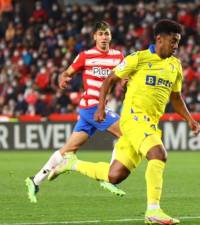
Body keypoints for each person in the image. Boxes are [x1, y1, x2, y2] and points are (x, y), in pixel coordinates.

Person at [49, 19, 200, 225]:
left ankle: (71, 163)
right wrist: (101, 107)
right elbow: (109, 80)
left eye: (178, 42)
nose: (176, 46)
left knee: (115, 175)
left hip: (150, 123)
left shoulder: (175, 65)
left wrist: (190, 119)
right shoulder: (137, 59)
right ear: (159, 39)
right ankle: (153, 210)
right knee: (158, 154)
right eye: (173, 41)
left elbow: (176, 97)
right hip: (133, 119)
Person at [25, 21, 126, 203]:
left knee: (68, 149)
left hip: (99, 108)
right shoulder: (85, 56)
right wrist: (62, 80)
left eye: (107, 34)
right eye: (100, 34)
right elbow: (66, 73)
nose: (104, 37)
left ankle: (35, 180)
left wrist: (126, 81)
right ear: (94, 36)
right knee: (126, 133)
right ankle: (109, 176)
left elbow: (124, 77)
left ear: (110, 37)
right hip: (91, 106)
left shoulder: (118, 57)